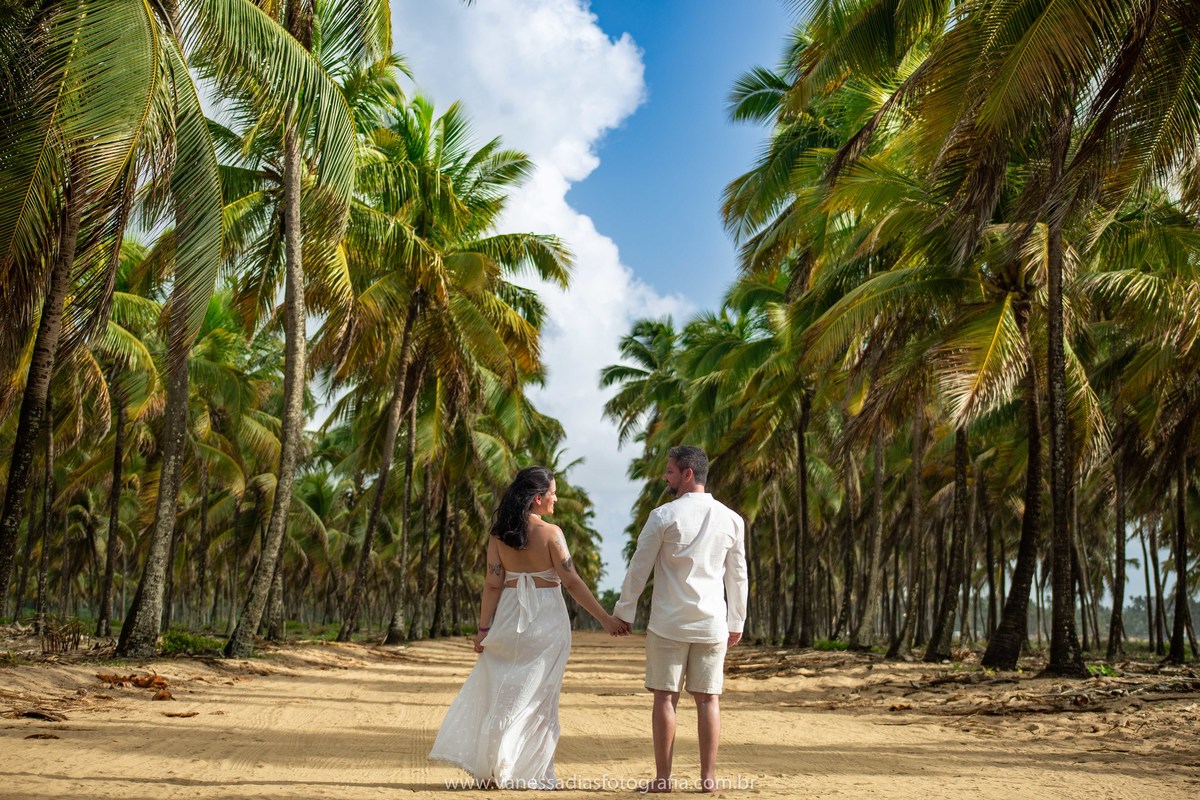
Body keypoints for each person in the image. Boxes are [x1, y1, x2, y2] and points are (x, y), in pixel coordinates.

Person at [429, 466, 627, 789]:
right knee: (540, 698)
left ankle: (493, 770)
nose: (556, 498)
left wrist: (483, 630)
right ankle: (530, 772)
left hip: (508, 616)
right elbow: (572, 582)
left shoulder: (498, 535)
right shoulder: (552, 534)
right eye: (553, 493)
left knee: (502, 695)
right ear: (538, 499)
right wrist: (604, 618)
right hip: (547, 620)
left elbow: (493, 584)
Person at [614, 445, 748, 794]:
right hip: (712, 623)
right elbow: (738, 576)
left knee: (665, 698)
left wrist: (624, 611)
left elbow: (638, 568)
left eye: (670, 471)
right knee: (708, 699)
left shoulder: (663, 516)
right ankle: (708, 779)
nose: (666, 477)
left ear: (688, 474)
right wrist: (737, 621)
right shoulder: (732, 519)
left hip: (668, 624)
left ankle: (663, 779)